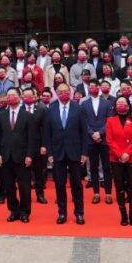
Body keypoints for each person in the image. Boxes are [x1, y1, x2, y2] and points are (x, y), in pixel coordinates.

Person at [44, 83, 87, 225]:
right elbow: (47, 133)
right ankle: (62, 213)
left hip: (75, 152)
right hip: (57, 153)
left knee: (76, 184)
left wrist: (84, 153)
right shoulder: (51, 108)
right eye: (60, 92)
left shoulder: (78, 108)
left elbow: (84, 132)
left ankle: (79, 213)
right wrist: (49, 153)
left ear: (70, 92)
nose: (63, 93)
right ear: (56, 93)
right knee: (60, 184)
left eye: (66, 91)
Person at [0, 88, 36, 223]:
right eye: (9, 95)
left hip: (23, 157)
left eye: (14, 95)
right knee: (9, 186)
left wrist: (30, 155)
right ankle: (13, 210)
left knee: (24, 187)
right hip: (6, 156)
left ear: (19, 97)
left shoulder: (28, 116)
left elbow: (32, 138)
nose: (11, 97)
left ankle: (25, 212)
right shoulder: (1, 115)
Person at [107, 96, 132, 227]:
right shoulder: (110, 120)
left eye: (123, 103)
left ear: (128, 106)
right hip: (116, 158)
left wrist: (128, 153)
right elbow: (110, 140)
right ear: (115, 106)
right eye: (118, 103)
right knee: (120, 187)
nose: (121, 105)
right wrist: (120, 154)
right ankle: (123, 215)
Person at [82, 81, 113, 204]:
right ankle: (96, 193)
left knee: (107, 167)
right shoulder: (84, 104)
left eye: (95, 86)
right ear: (88, 89)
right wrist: (92, 134)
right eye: (91, 87)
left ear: (99, 88)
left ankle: (108, 193)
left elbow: (109, 120)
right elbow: (84, 121)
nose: (93, 88)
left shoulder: (107, 103)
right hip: (90, 139)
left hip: (104, 139)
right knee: (93, 167)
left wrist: (100, 133)